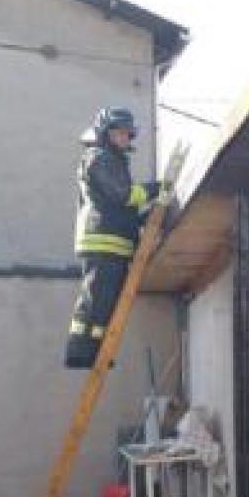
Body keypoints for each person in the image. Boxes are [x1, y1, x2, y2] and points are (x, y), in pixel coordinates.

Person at [64, 107, 157, 369]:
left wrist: (144, 217)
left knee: (105, 305)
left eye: (128, 133)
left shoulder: (114, 161)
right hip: (102, 241)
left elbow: (121, 207)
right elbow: (121, 195)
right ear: (106, 133)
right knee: (95, 301)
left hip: (114, 243)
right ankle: (79, 352)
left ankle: (96, 353)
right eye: (119, 132)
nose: (125, 138)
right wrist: (155, 189)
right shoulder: (99, 157)